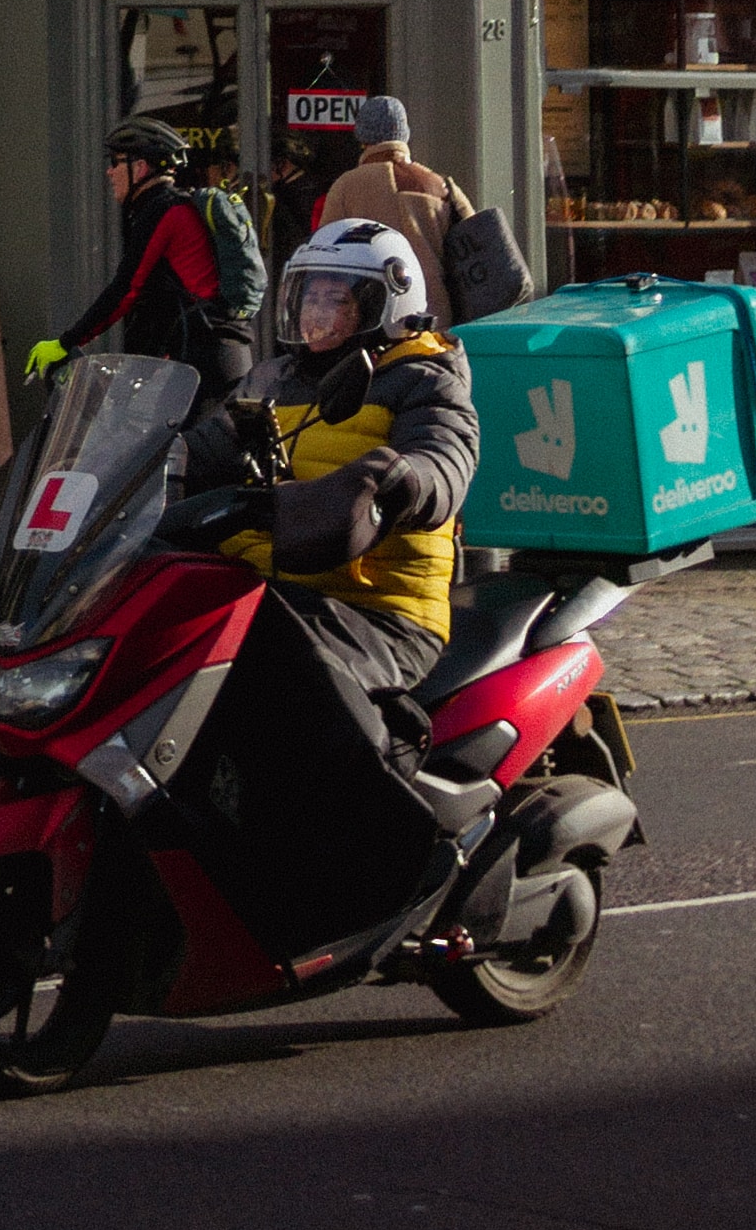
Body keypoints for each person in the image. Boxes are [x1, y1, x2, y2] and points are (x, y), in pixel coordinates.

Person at [228, 212, 480, 761]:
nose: (316, 314)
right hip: (269, 585)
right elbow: (207, 440)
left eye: (336, 301)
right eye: (309, 298)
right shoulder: (273, 379)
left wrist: (399, 483)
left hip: (377, 606)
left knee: (303, 701)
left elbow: (446, 456)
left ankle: (372, 836)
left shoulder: (423, 380)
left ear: (385, 306)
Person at [44, 121, 263, 401]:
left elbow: (125, 289)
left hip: (207, 359)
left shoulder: (164, 211)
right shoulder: (164, 207)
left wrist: (67, 342)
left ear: (140, 167)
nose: (109, 171)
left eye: (115, 162)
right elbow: (154, 304)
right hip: (204, 354)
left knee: (190, 443)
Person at [331, 95, 530, 326]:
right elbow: (477, 246)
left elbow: (328, 254)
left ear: (362, 137)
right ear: (404, 134)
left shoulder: (345, 186)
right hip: (434, 315)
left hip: (371, 317)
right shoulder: (441, 185)